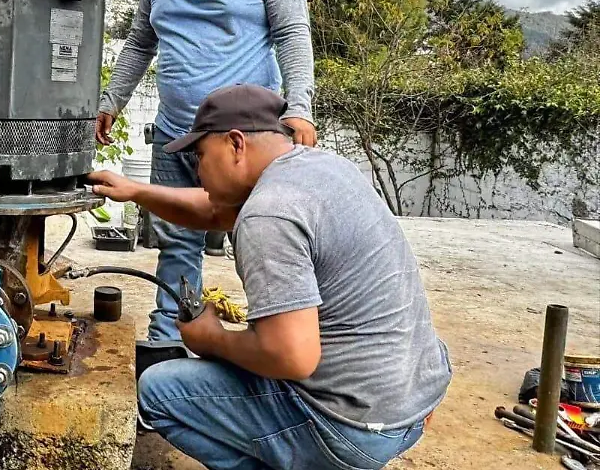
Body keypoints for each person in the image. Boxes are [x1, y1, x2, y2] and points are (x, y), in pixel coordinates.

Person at [88, 84, 452, 470]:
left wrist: (212, 338)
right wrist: (135, 191)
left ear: (236, 144)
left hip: (350, 427)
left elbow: (292, 357)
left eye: (200, 155)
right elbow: (214, 212)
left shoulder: (268, 213)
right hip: (410, 403)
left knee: (161, 391)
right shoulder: (322, 168)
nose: (197, 171)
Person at [96, 0, 316, 343]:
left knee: (260, 238)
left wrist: (299, 106)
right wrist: (111, 99)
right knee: (177, 240)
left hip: (245, 144)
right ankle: (171, 336)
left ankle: (278, 339)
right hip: (177, 136)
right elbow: (138, 44)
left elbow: (293, 34)